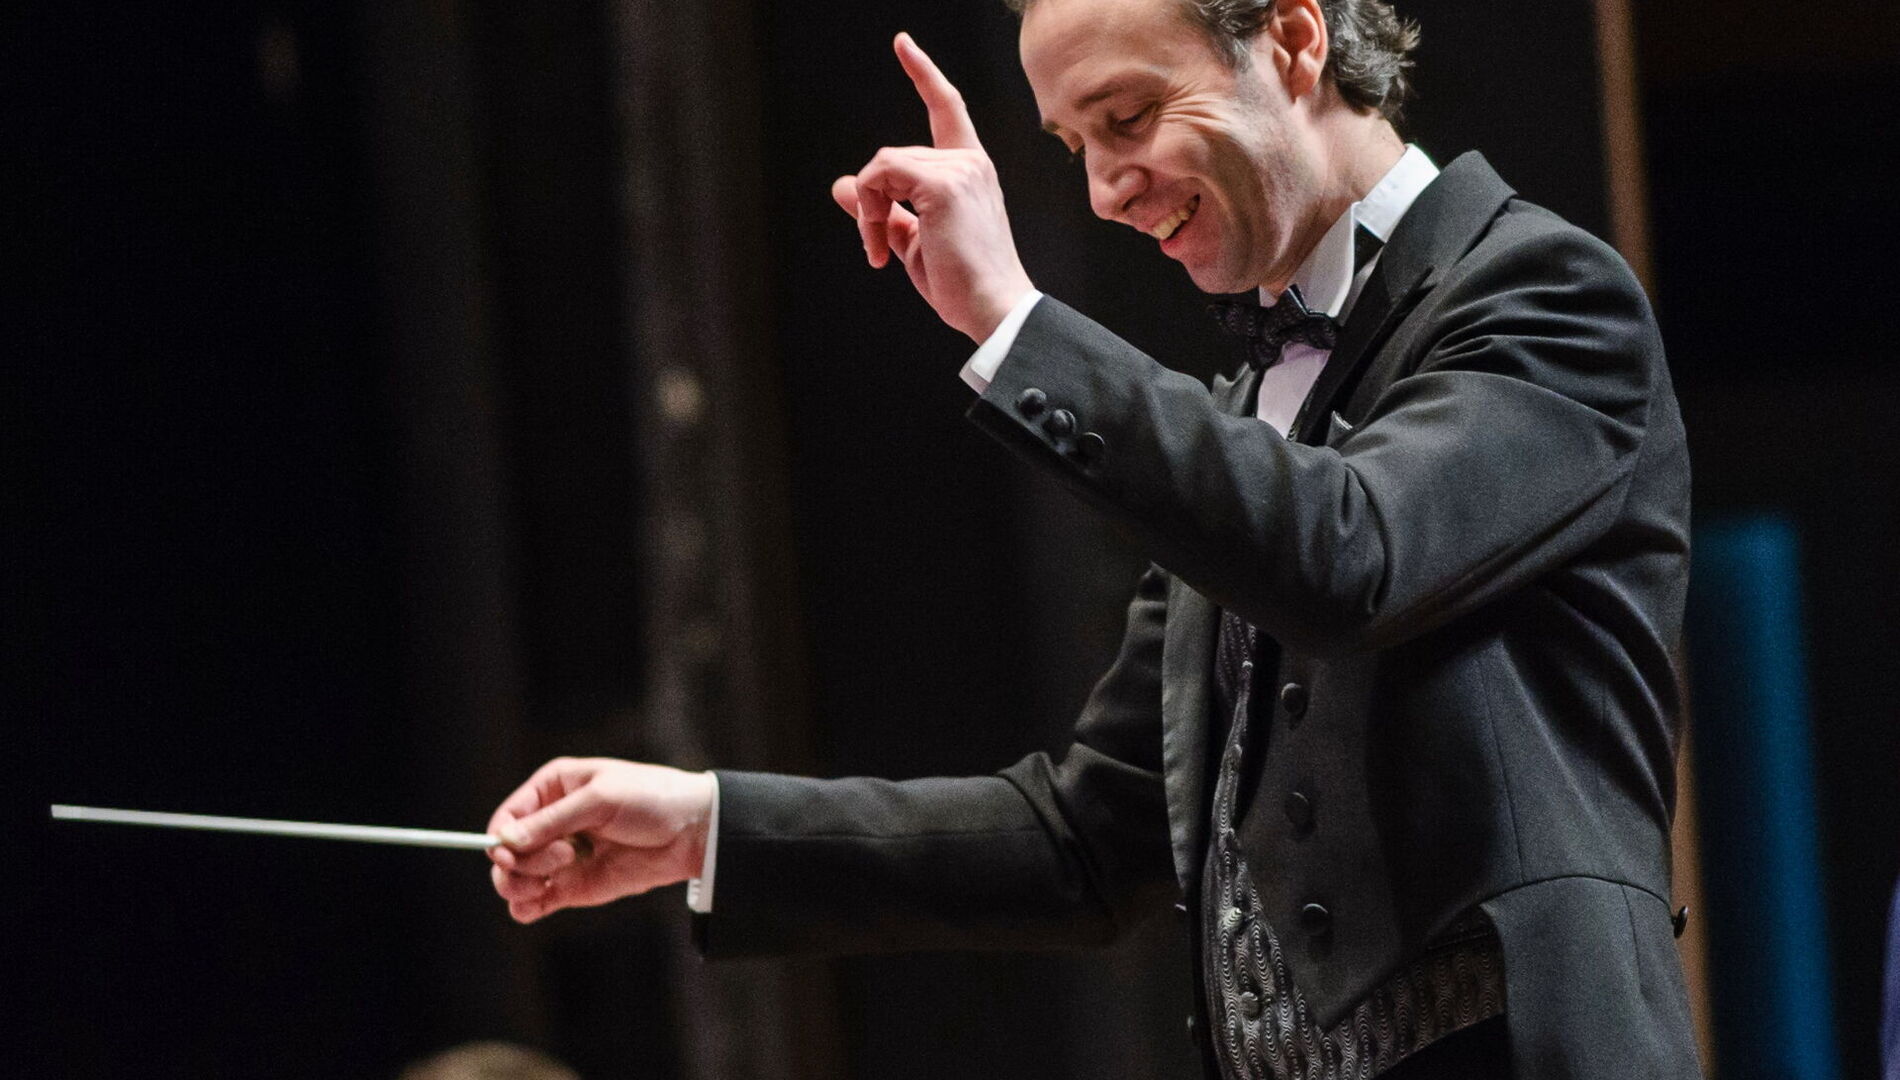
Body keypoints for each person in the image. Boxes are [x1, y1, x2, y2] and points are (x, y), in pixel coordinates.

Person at [486, 0, 1701, 1076]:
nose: (1104, 191)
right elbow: (1083, 839)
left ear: (1292, 38)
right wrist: (708, 825)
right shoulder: (1244, 420)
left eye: (1126, 119)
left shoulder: (1543, 295)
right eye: (1074, 147)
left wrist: (1014, 322)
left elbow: (1353, 553)